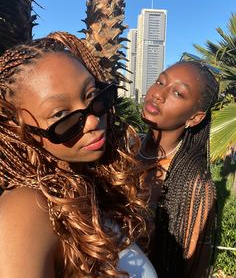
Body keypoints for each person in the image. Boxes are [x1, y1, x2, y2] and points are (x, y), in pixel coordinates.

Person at [0, 32, 157, 278]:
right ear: (17, 129)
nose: (93, 120)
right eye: (61, 115)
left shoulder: (89, 187)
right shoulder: (25, 209)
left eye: (92, 96)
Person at [138, 60, 219, 278]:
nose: (158, 94)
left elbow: (194, 269)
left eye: (178, 94)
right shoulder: (121, 149)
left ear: (194, 118)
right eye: (160, 81)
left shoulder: (194, 185)